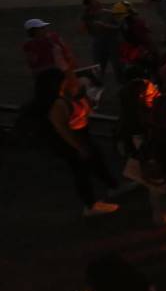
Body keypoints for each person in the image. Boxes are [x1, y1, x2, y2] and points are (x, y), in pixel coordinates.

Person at [34, 69, 120, 216]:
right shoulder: (57, 104)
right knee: (81, 170)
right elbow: (63, 130)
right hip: (72, 140)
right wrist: (78, 147)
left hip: (80, 135)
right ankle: (90, 205)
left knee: (95, 160)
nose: (69, 81)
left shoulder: (64, 96)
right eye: (64, 80)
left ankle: (112, 186)